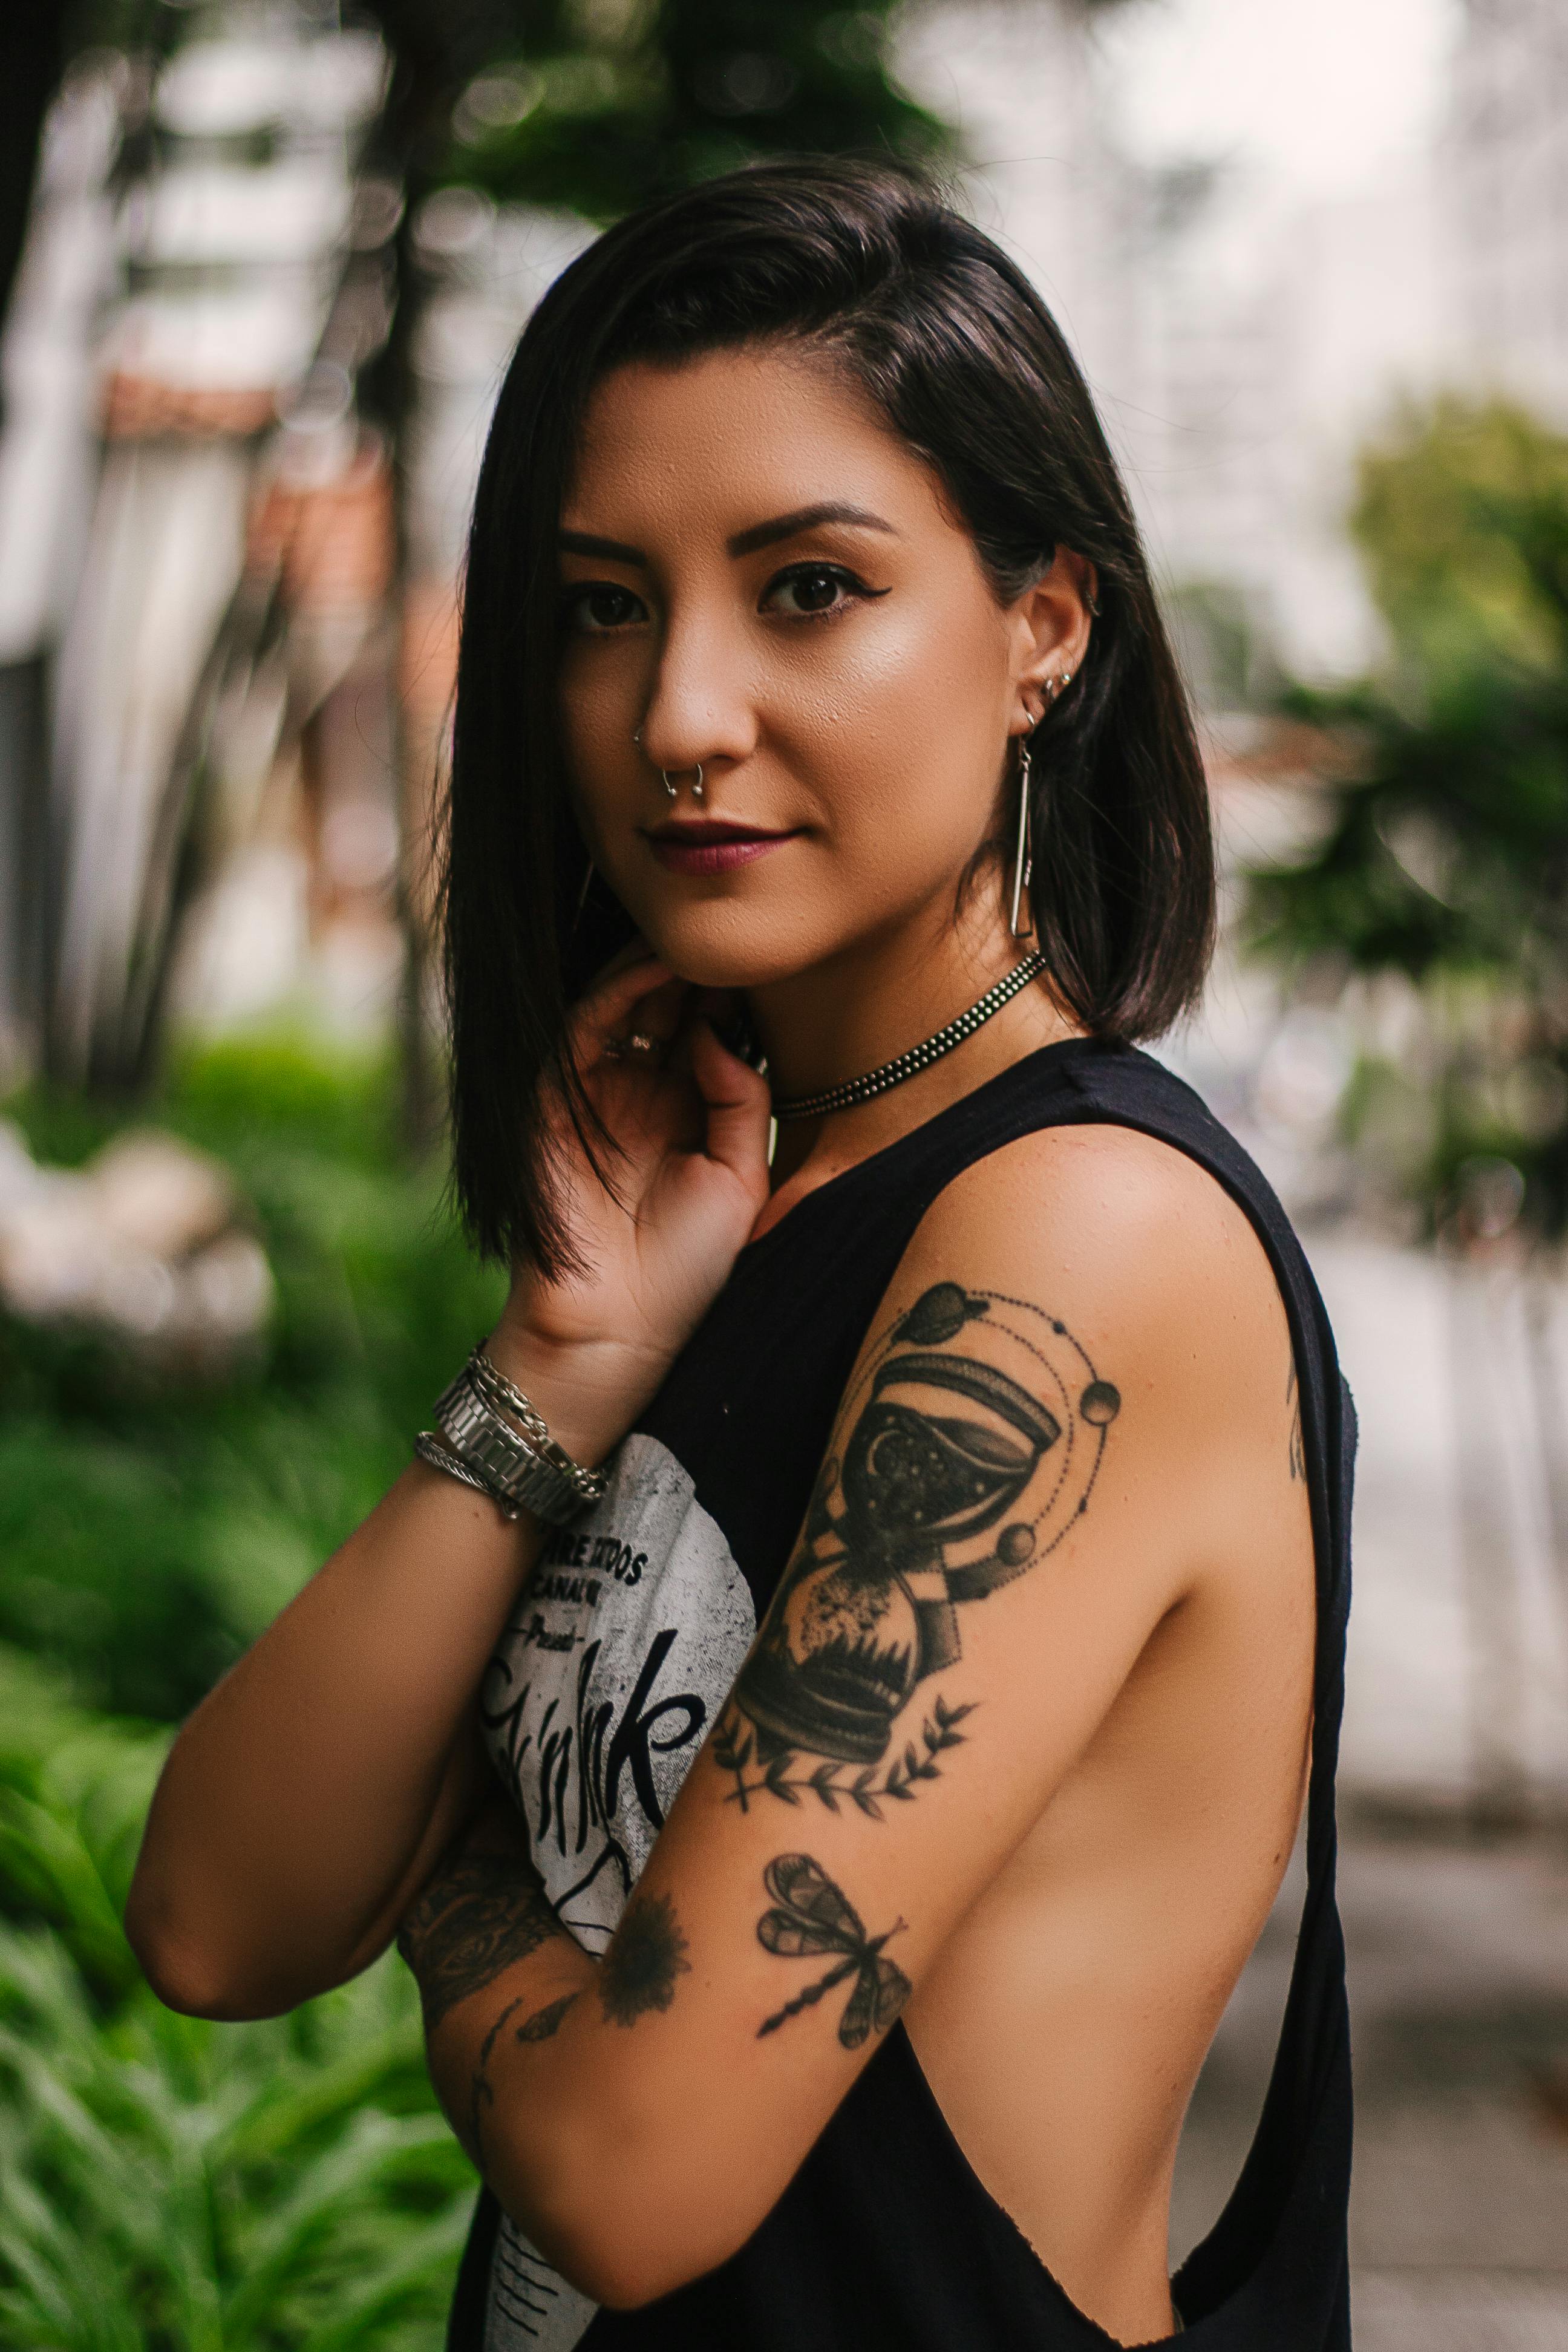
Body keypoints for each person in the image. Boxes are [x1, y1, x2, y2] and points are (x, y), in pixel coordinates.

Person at [125, 159, 1356, 2351]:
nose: (681, 712)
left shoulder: (1073, 1240)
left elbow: (631, 2170)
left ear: (1042, 631)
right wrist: (565, 1356)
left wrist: (459, 1867)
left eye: (807, 588)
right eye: (605, 605)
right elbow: (219, 1917)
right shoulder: (734, 1206)